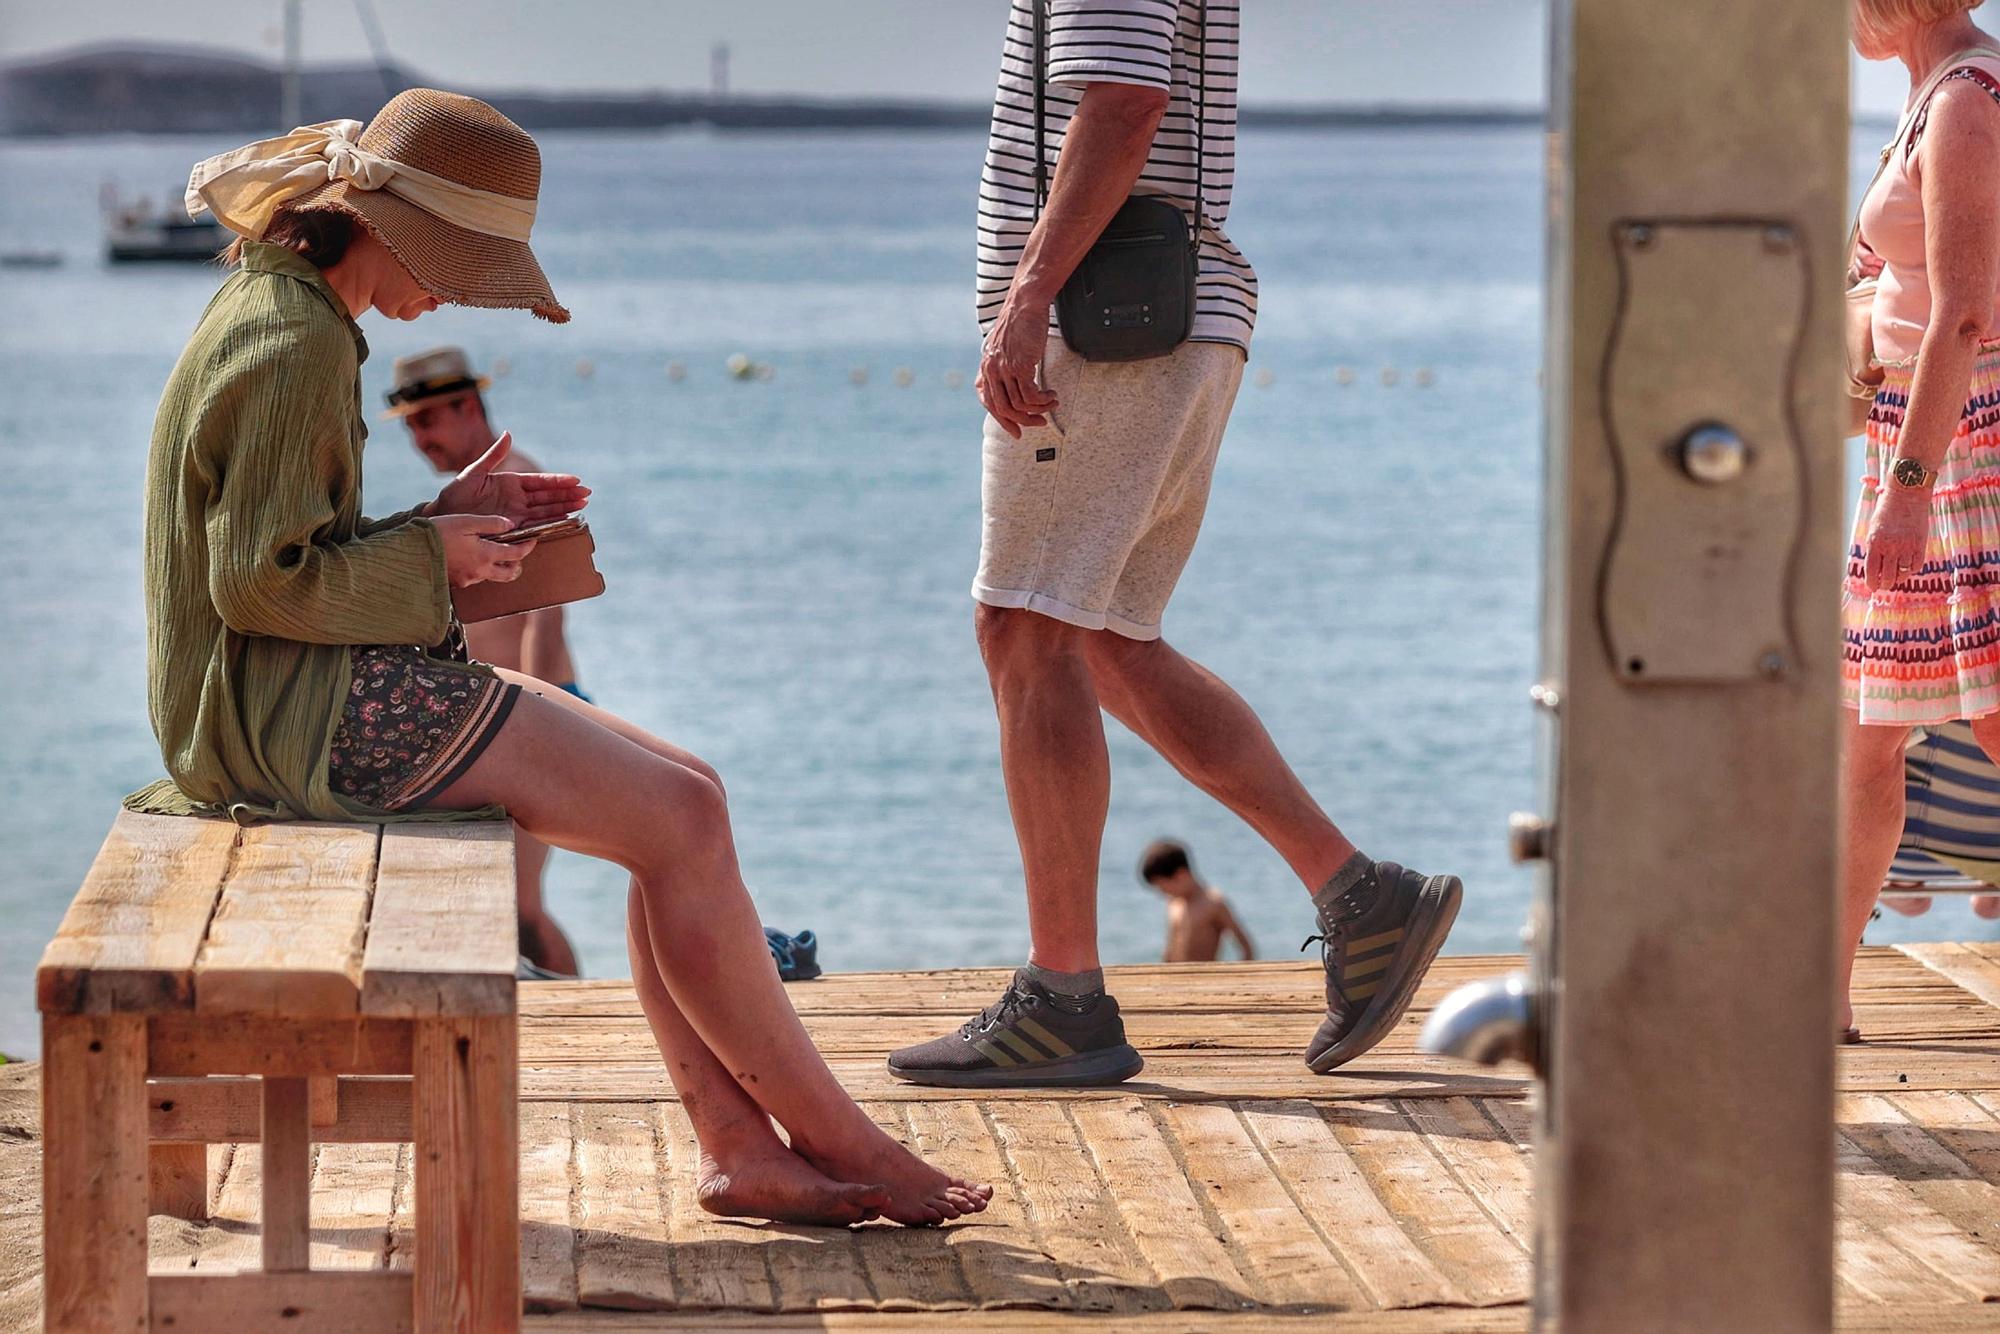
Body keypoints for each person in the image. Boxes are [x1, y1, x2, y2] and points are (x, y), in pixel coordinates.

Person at [134, 90, 989, 1226]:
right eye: (452, 258)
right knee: (676, 822)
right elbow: (255, 582)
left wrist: (435, 518)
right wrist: (435, 559)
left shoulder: (279, 309)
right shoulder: (292, 340)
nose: (448, 290)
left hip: (278, 698)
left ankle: (742, 1145)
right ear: (378, 219)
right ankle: (835, 1138)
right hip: (290, 718)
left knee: (692, 794)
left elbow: (279, 555)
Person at [887, 1, 1462, 1090]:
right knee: (1104, 638)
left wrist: (1025, 296)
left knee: (1024, 629)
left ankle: (1061, 998)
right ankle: (1362, 898)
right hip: (1158, 311)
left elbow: (1123, 101)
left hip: (1111, 322)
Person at [1840, 0, 2000, 1044]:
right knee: (1864, 734)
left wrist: (1905, 486)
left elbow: (1963, 311)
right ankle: (1821, 992)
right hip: (1912, 429)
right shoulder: (1926, 95)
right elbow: (1894, 279)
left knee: (1987, 715)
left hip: (1959, 442)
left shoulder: (1967, 100)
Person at [385, 345, 583, 976]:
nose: (419, 440)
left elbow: (546, 615)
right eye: (411, 425)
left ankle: (576, 1017)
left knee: (520, 907)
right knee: (509, 905)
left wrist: (541, 717)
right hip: (510, 708)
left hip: (537, 702)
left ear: (468, 405)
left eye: (427, 421)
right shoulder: (481, 498)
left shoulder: (511, 491)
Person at [1138, 840, 1254, 963]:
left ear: (1180, 875)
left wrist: (1236, 979)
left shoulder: (1213, 903)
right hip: (1175, 978)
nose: (1162, 893)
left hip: (1203, 978)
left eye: (1163, 887)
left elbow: (1246, 947)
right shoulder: (1173, 902)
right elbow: (1171, 947)